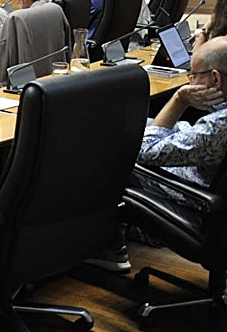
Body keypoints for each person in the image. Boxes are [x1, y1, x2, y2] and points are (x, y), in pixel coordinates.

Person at [91, 37, 227, 272]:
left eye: (193, 75)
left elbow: (145, 151)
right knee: (138, 125)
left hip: (197, 200)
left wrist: (180, 99)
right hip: (212, 187)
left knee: (112, 146)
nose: (190, 81)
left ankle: (111, 247)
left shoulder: (218, 127)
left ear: (215, 78)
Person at [0, 0, 71, 89]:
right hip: (57, 81)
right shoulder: (56, 9)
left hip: (27, 86)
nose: (17, 2)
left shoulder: (17, 18)